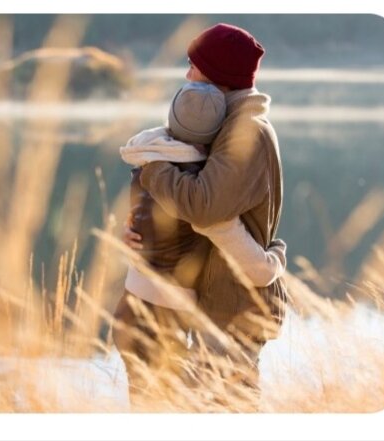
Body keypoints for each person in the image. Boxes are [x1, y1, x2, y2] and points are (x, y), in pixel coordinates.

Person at [118, 23, 288, 407]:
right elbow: (196, 212)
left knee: (227, 410)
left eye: (194, 66)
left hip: (235, 310)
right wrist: (134, 228)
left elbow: (204, 208)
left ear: (219, 78)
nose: (187, 74)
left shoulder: (247, 132)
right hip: (216, 301)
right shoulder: (224, 126)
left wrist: (153, 167)